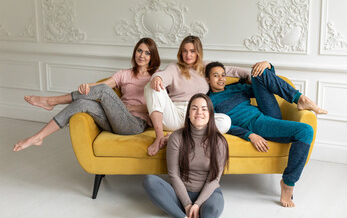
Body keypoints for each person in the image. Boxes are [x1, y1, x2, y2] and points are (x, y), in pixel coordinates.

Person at [205, 61, 327, 207]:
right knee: (305, 131)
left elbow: (267, 86)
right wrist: (249, 134)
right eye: (216, 76)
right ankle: (288, 183)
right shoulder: (208, 101)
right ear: (207, 79)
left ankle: (300, 99)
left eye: (223, 75)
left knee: (259, 74)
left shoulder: (236, 88)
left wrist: (269, 66)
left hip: (267, 113)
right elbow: (220, 125)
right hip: (256, 124)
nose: (221, 79)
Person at [13, 38, 161, 152]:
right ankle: (38, 137)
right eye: (139, 51)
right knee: (81, 103)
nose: (142, 55)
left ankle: (52, 101)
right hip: (114, 121)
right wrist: (87, 86)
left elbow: (157, 107)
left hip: (134, 124)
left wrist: (126, 108)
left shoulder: (157, 77)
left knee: (102, 91)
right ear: (135, 52)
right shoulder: (124, 73)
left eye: (147, 53)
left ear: (153, 56)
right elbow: (104, 85)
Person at [145, 35, 251, 156]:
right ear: (180, 52)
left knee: (225, 121)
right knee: (150, 86)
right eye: (184, 51)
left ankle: (179, 135)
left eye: (192, 51)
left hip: (196, 117)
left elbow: (231, 70)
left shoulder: (205, 67)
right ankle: (159, 137)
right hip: (174, 114)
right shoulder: (174, 67)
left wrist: (250, 76)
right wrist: (157, 77)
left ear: (198, 53)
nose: (188, 55)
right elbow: (164, 76)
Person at [143, 93, 229, 218]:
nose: (199, 112)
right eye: (194, 108)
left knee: (212, 211)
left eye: (204, 109)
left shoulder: (219, 142)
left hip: (208, 194)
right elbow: (174, 174)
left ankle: (192, 211)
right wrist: (188, 204)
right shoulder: (176, 137)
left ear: (210, 114)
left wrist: (198, 204)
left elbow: (214, 179)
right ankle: (181, 216)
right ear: (188, 114)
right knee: (149, 180)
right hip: (180, 194)